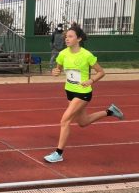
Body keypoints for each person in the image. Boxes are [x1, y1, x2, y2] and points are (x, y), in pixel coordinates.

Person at [43, 25, 124, 163]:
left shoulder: (86, 55)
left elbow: (101, 72)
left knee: (65, 120)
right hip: (70, 91)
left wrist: (91, 80)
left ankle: (58, 153)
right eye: (66, 37)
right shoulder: (63, 54)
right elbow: (57, 70)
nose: (67, 39)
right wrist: (55, 72)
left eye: (70, 36)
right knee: (83, 122)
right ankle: (109, 112)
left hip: (83, 93)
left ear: (79, 39)